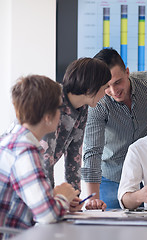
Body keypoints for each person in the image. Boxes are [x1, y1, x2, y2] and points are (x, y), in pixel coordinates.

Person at [82, 49, 147, 209]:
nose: (114, 91)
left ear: (127, 72)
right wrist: (93, 199)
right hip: (112, 175)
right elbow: (92, 153)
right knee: (110, 227)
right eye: (106, 86)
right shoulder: (99, 103)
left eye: (118, 82)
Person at [0, 75, 80, 239]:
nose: (62, 113)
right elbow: (47, 215)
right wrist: (63, 196)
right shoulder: (25, 150)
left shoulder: (9, 141)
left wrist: (55, 196)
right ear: (48, 116)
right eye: (59, 108)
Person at [40, 58, 111, 210]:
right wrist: (53, 202)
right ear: (91, 87)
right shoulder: (54, 100)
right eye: (104, 88)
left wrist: (74, 198)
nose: (106, 94)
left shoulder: (84, 108)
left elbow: (75, 155)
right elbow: (45, 158)